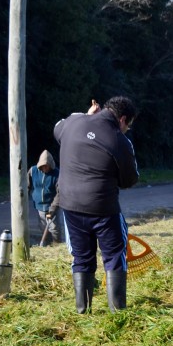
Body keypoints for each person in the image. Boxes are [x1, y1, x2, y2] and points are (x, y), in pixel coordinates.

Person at [53, 96, 139, 313]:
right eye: (128, 125)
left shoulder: (73, 123)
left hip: (70, 205)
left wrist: (86, 116)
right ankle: (117, 312)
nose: (127, 129)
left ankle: (83, 311)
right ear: (122, 119)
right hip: (103, 208)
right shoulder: (119, 140)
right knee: (114, 255)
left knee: (81, 257)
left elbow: (57, 130)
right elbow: (130, 180)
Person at [28, 149, 61, 245]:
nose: (45, 168)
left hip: (52, 204)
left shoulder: (57, 174)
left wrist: (52, 209)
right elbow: (26, 186)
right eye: (43, 166)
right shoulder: (33, 171)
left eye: (47, 166)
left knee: (54, 229)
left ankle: (57, 246)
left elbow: (59, 193)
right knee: (43, 227)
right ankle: (46, 246)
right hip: (39, 206)